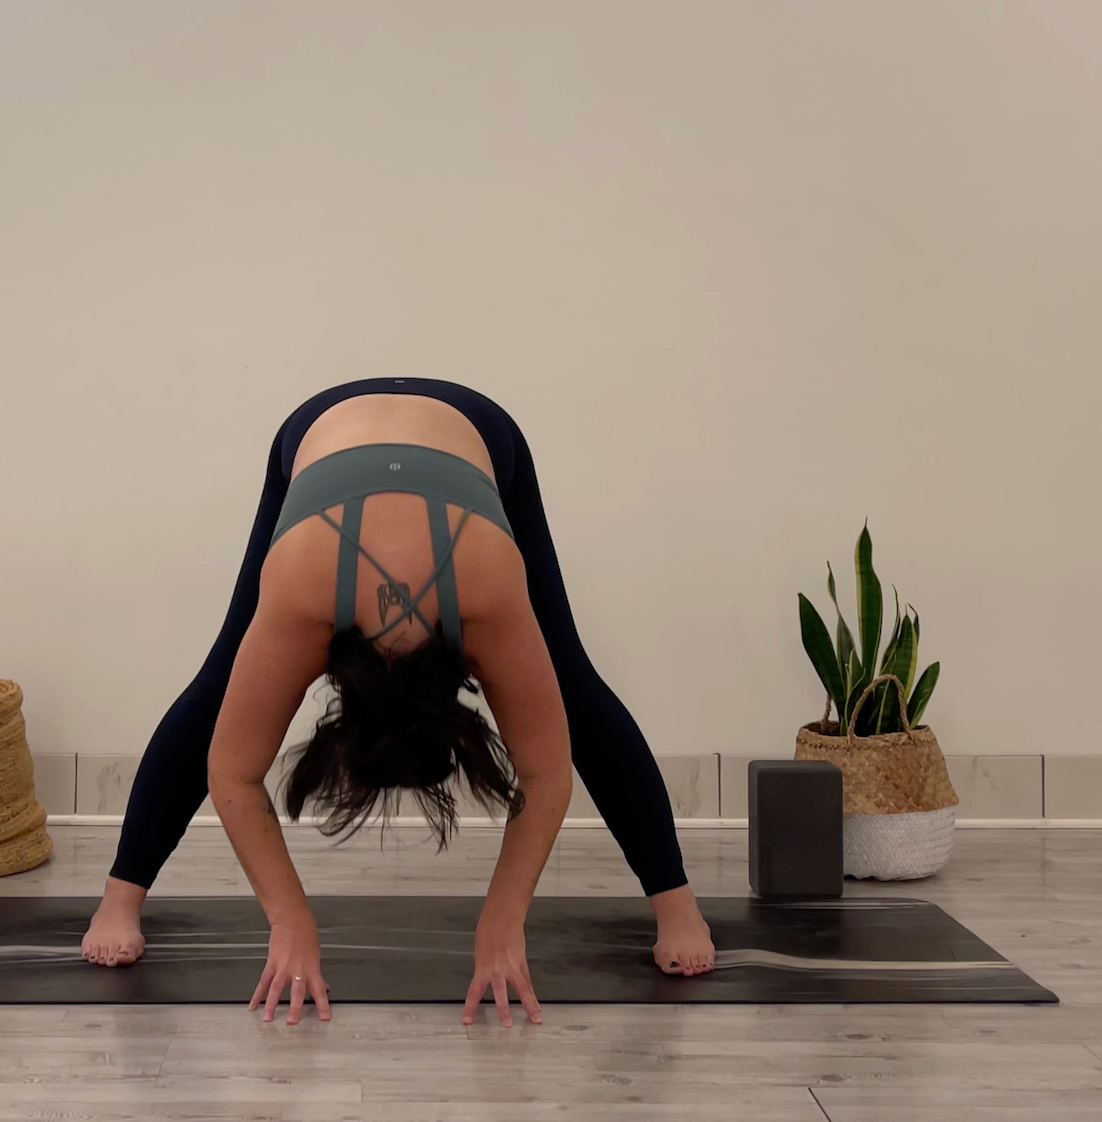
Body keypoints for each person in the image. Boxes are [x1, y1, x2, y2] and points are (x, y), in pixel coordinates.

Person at [79, 377, 716, 1025]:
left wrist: (504, 918)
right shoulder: (305, 592)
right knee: (221, 688)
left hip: (478, 433)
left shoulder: (486, 590)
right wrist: (288, 919)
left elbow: (547, 768)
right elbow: (232, 769)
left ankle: (677, 905)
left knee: (572, 686)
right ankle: (120, 897)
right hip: (319, 432)